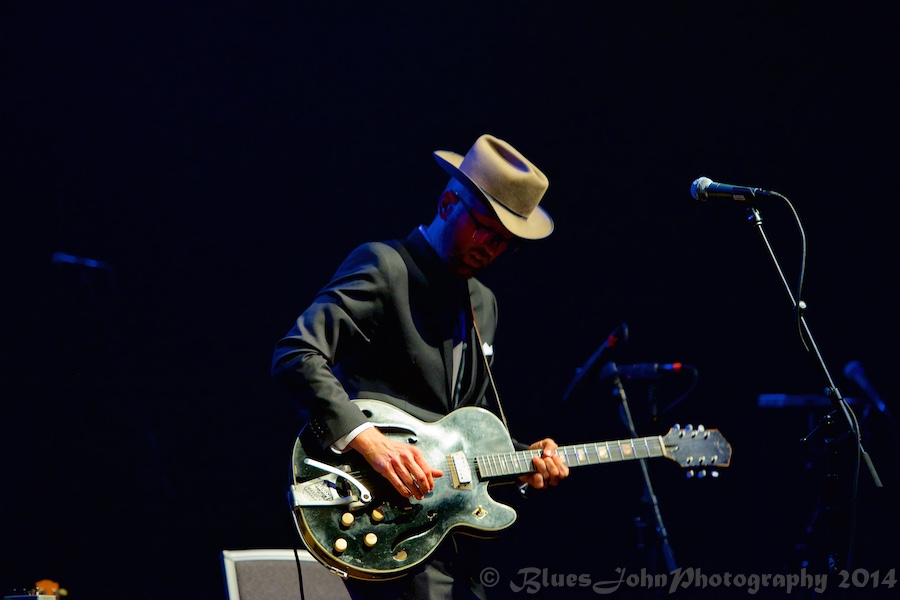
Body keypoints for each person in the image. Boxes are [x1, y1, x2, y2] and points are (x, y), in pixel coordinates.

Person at [271, 133, 569, 599]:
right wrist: (367, 440)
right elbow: (296, 354)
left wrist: (526, 457)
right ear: (448, 200)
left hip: (454, 536)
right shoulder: (385, 265)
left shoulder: (483, 303)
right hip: (384, 518)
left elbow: (472, 424)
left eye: (505, 242)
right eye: (484, 228)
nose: (491, 248)